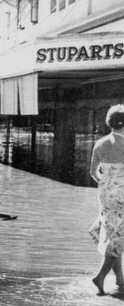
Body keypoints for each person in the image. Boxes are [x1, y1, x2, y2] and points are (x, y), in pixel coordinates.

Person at [90, 104, 124, 295]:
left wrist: (106, 184)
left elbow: (92, 172)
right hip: (122, 194)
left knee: (114, 234)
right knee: (118, 236)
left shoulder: (100, 143)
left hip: (105, 193)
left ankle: (120, 279)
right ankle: (100, 276)